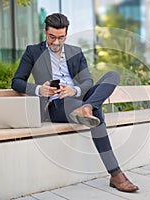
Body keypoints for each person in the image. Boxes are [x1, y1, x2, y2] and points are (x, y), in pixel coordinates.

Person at [11, 13, 139, 193]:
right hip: (56, 105)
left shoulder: (75, 52)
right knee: (97, 112)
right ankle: (116, 174)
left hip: (79, 98)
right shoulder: (33, 51)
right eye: (52, 37)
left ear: (66, 34)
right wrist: (40, 89)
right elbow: (16, 81)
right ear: (45, 32)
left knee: (113, 76)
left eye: (61, 38)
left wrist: (75, 90)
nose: (56, 42)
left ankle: (87, 107)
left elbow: (87, 82)